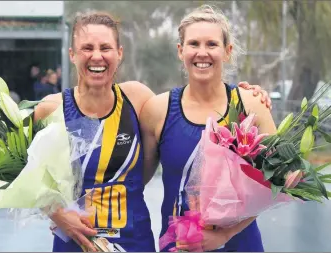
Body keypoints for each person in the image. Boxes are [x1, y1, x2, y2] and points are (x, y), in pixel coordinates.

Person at [34, 10, 271, 253]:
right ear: (72, 54)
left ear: (119, 53)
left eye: (105, 48)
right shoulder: (51, 109)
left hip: (135, 242)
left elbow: (279, 178)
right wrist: (58, 214)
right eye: (87, 48)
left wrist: (250, 95)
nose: (97, 56)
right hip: (78, 240)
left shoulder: (139, 100)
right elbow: (19, 173)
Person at [140, 5, 277, 252]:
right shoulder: (157, 110)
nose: (202, 53)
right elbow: (133, 179)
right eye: (193, 44)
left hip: (241, 244)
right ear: (181, 50)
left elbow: (278, 181)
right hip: (180, 244)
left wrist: (225, 234)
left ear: (227, 51)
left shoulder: (250, 104)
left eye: (212, 44)